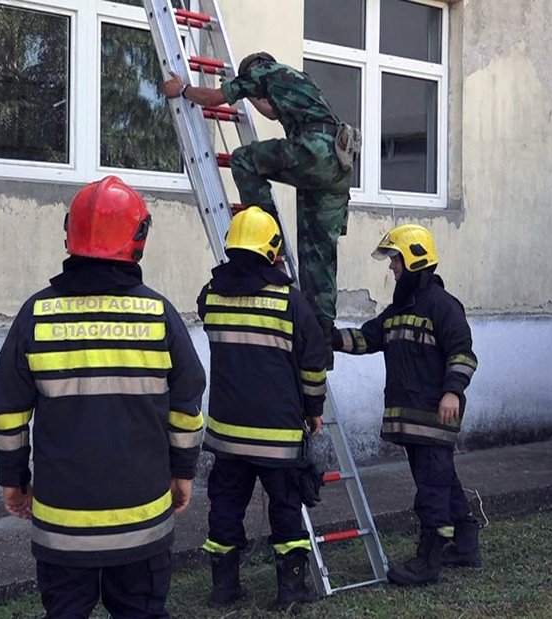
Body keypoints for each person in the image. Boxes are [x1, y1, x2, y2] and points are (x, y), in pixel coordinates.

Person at [0, 176, 207, 618]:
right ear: (137, 238)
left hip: (62, 529)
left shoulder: (37, 315)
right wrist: (183, 473)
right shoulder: (160, 317)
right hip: (142, 525)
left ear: (71, 234)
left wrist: (13, 479)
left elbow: (5, 411)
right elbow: (187, 405)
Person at [163, 52, 356, 368]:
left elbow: (214, 97)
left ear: (253, 71)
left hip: (314, 149)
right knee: (317, 254)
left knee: (243, 159)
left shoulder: (260, 70)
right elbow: (269, 111)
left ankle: (267, 232)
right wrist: (252, 95)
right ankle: (321, 344)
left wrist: (182, 90)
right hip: (338, 163)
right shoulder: (293, 78)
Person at [331, 224, 481, 586]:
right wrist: (329, 340)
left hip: (433, 414)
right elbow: (368, 338)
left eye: (395, 259)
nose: (391, 267)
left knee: (431, 488)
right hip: (413, 420)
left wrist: (452, 392)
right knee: (442, 482)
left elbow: (463, 354)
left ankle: (427, 563)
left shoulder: (444, 307)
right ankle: (465, 545)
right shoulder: (398, 309)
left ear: (415, 260)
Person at [195, 206, 327, 610]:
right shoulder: (292, 304)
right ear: (273, 251)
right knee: (286, 510)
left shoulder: (210, 297)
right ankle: (290, 591)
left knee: (225, 509)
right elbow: (312, 367)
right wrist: (314, 409)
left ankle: (225, 589)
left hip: (227, 436)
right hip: (278, 438)